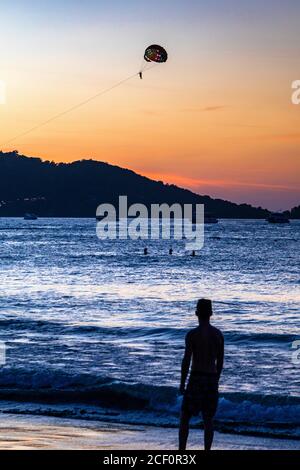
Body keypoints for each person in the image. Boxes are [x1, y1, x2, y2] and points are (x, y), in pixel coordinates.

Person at [178, 299, 224, 451]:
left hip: (196, 377)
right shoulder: (218, 335)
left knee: (185, 416)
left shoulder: (192, 335)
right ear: (211, 313)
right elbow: (220, 363)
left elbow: (186, 361)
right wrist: (216, 380)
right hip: (211, 378)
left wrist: (182, 383)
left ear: (196, 313)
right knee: (208, 419)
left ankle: (182, 451)